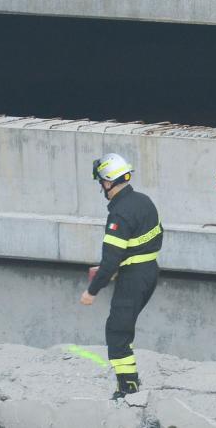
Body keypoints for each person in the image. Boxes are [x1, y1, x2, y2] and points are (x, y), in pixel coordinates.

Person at [80, 153, 163, 400]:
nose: (101, 188)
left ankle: (128, 387)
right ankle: (130, 382)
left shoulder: (119, 214)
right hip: (149, 271)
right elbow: (152, 237)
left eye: (101, 183)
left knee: (117, 332)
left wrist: (91, 291)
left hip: (133, 278)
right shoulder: (144, 201)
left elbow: (111, 260)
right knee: (123, 328)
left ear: (107, 182)